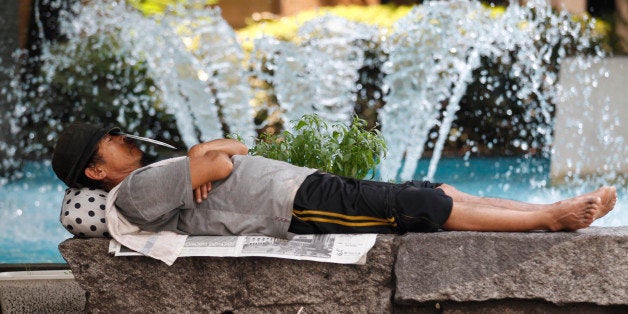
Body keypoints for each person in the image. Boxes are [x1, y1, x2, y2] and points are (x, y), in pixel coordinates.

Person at [51, 123, 617, 239]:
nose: (123, 136)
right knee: (416, 206)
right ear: (97, 171)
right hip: (290, 204)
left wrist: (202, 155)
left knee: (433, 192)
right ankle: (550, 219)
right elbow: (223, 162)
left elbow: (237, 147)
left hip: (298, 184)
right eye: (109, 140)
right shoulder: (135, 190)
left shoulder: (152, 173)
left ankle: (548, 205)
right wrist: (203, 157)